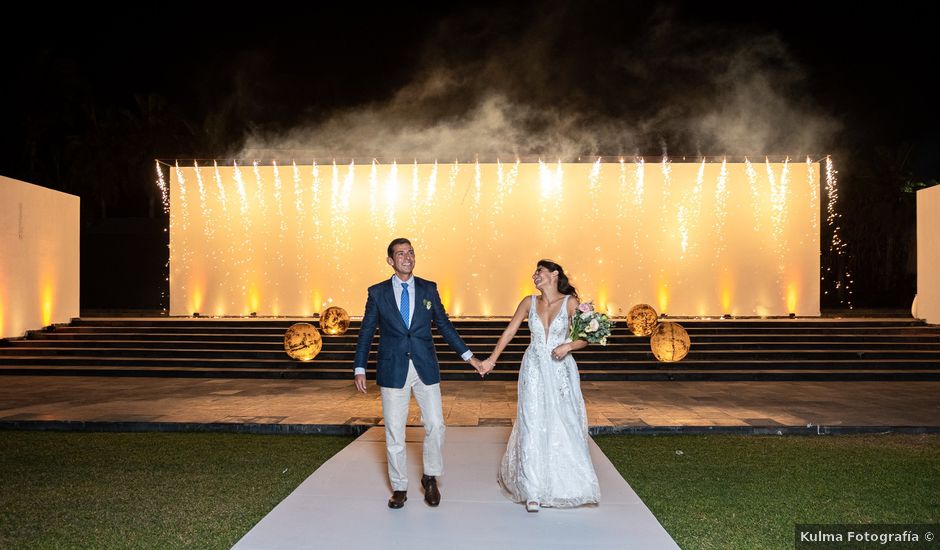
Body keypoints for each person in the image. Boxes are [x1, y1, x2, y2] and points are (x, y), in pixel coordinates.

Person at [353, 237, 486, 509]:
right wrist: (359, 366)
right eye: (400, 253)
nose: (407, 257)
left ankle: (430, 477)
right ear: (390, 260)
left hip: (425, 366)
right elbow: (367, 330)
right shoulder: (377, 292)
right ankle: (400, 487)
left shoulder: (428, 288)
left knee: (436, 424)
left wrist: (470, 357)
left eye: (410, 252)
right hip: (392, 368)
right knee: (394, 430)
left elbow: (445, 326)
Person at [481, 259, 600, 512]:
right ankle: (532, 489)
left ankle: (568, 485)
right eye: (535, 271)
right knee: (531, 420)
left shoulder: (571, 303)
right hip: (533, 367)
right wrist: (491, 359)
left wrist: (568, 345)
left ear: (554, 274)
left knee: (562, 419)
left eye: (540, 271)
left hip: (561, 369)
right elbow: (509, 332)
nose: (535, 275)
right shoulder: (528, 302)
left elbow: (586, 336)